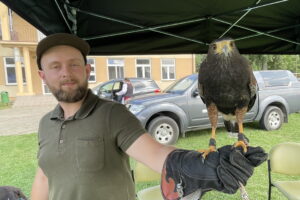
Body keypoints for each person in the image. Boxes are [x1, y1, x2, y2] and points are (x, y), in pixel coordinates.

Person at [30, 33, 267, 200]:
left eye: (74, 65)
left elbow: (157, 155)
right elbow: (44, 178)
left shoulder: (112, 114)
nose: (66, 73)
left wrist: (204, 166)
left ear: (87, 70)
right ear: (42, 75)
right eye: (55, 66)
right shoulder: (45, 124)